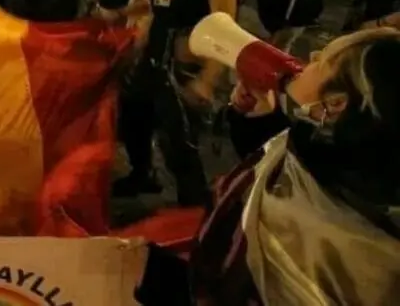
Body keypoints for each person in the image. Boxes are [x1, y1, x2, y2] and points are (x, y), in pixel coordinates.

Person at [136, 28, 400, 306]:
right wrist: (260, 122)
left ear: (335, 104)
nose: (312, 55)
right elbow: (285, 167)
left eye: (323, 62)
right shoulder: (339, 153)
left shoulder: (342, 236)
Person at [117, 0, 237, 205]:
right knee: (132, 121)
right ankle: (142, 174)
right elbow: (155, 14)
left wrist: (208, 80)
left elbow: (226, 34)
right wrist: (132, 47)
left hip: (183, 73)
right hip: (152, 65)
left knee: (180, 142)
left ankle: (194, 202)